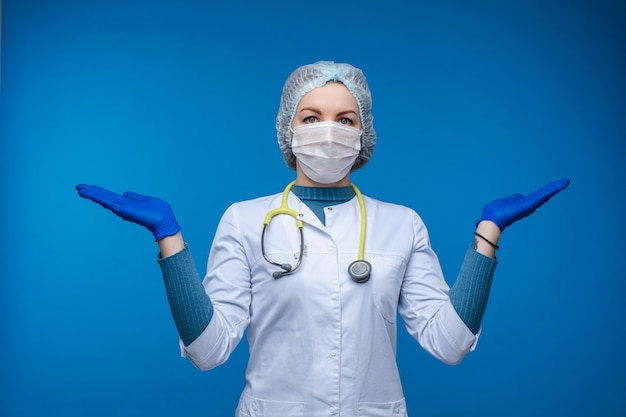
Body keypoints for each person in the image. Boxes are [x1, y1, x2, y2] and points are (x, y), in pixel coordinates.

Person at [76, 61, 569, 417]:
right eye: (311, 117)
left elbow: (450, 342)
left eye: (345, 119)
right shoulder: (245, 220)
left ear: (363, 135)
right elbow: (209, 351)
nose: (328, 131)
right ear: (287, 131)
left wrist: (488, 234)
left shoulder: (402, 224)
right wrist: (170, 237)